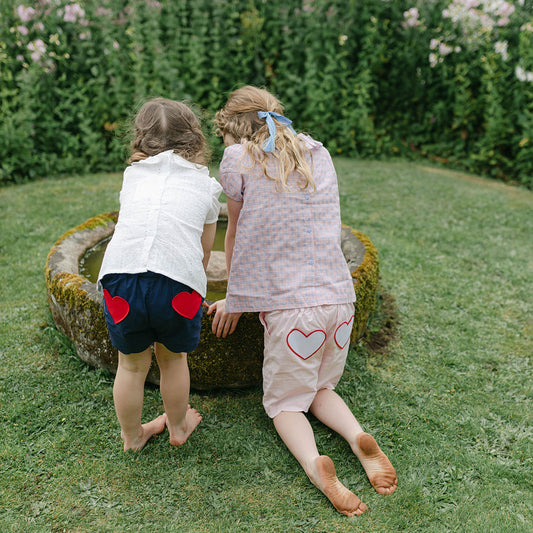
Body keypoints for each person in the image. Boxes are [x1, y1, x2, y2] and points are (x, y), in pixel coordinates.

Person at [208, 86, 397, 516]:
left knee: (286, 404)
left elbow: (235, 232)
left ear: (232, 130)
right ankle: (357, 437)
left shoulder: (239, 159)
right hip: (337, 299)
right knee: (319, 386)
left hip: (294, 313)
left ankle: (316, 465)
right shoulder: (316, 152)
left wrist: (235, 298)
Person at [98, 97, 222, 451]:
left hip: (120, 279)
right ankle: (179, 427)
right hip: (176, 284)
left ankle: (132, 436)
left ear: (140, 138)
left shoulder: (133, 176)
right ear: (195, 139)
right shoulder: (206, 186)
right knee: (173, 359)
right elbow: (202, 252)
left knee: (132, 366)